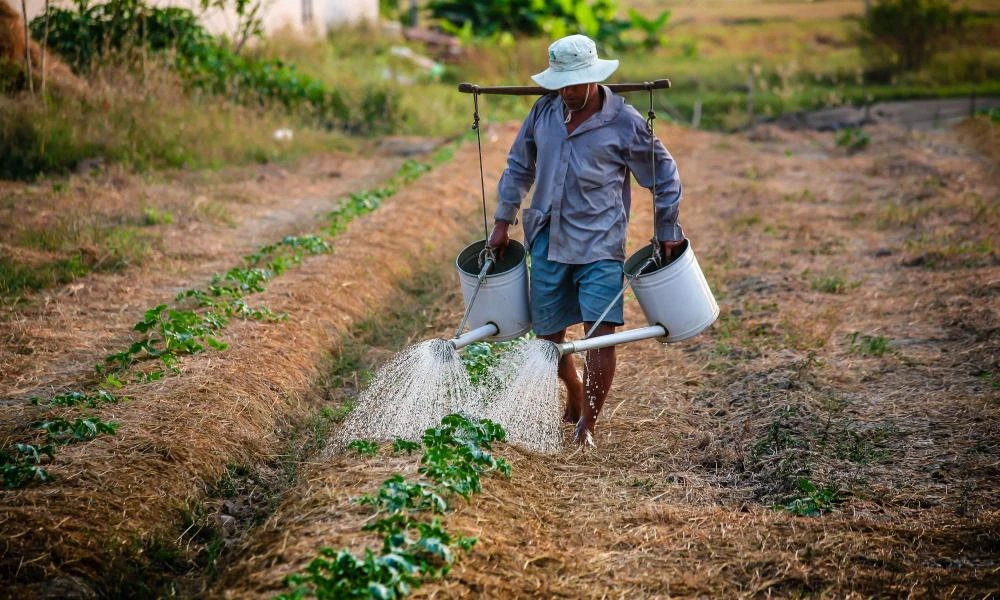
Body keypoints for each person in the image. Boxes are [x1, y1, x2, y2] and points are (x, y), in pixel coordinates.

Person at [486, 34, 685, 447]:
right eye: (561, 84)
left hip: (600, 243)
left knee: (601, 333)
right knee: (548, 338)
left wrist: (667, 228)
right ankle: (573, 388)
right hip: (547, 238)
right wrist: (502, 221)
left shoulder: (624, 122)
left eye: (575, 84)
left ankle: (586, 427)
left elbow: (664, 176)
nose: (568, 92)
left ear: (594, 78)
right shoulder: (543, 112)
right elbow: (518, 166)